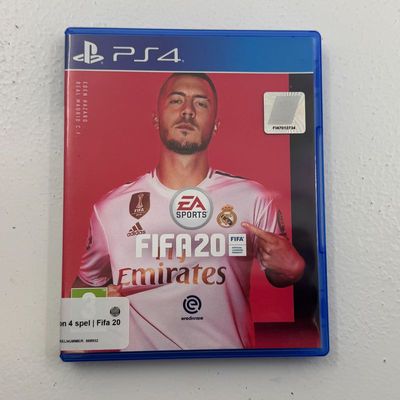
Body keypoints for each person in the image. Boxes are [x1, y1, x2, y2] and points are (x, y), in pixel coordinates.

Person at [73, 73, 305, 350]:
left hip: (229, 366)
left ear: (216, 125)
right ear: (156, 119)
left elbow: (280, 275)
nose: (187, 111)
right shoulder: (110, 209)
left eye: (201, 103)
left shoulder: (253, 198)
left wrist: (291, 270)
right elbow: (85, 289)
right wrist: (96, 308)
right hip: (138, 369)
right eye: (176, 100)